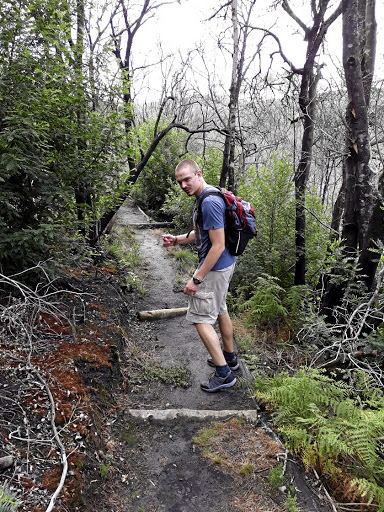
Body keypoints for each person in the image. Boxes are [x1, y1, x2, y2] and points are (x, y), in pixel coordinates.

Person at [163, 159, 239, 392]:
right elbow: (201, 233)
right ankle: (230, 358)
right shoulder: (208, 195)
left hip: (215, 267)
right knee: (220, 309)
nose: (184, 185)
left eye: (187, 179)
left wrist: (196, 280)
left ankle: (223, 373)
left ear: (199, 174)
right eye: (179, 182)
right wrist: (177, 239)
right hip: (224, 265)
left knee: (199, 318)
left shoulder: (209, 202)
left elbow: (217, 245)